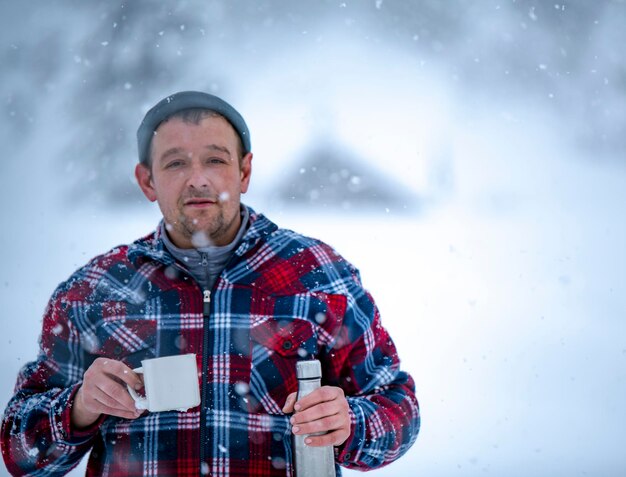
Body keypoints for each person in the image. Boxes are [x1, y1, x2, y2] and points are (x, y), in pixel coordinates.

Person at [1, 91, 420, 476]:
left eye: (216, 160)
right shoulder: (96, 290)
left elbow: (399, 408)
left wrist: (351, 422)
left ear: (244, 171)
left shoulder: (318, 274)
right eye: (176, 162)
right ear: (147, 180)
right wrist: (76, 409)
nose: (197, 179)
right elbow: (19, 452)